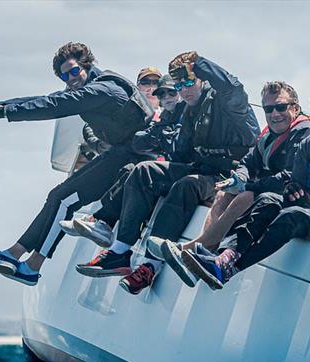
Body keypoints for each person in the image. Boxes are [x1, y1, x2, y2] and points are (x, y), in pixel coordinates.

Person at [0, 42, 154, 286]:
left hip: (134, 159)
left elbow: (55, 106)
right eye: (64, 76)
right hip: (121, 154)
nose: (70, 78)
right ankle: (14, 256)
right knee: (58, 196)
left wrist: (4, 113)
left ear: (87, 65)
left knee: (64, 199)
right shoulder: (90, 86)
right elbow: (46, 99)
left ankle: (29, 266)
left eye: (74, 71)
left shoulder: (103, 90)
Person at [74, 51, 259, 295]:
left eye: (188, 82)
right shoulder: (189, 109)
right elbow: (180, 155)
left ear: (202, 79)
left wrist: (198, 63)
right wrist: (163, 129)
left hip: (228, 176)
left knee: (187, 185)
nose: (184, 90)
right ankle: (119, 251)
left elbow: (233, 88)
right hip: (201, 169)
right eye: (179, 85)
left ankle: (151, 265)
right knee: (144, 172)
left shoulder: (225, 102)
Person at [181, 80, 310, 290]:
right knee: (267, 200)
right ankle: (224, 256)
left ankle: (229, 270)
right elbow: (297, 180)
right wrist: (293, 188)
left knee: (294, 216)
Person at [159, 81, 310, 286]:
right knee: (224, 193)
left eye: (280, 107)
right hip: (269, 189)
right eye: (268, 109)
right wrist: (239, 178)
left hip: (295, 196)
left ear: (295, 108)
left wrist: (250, 186)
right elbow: (248, 162)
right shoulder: (269, 134)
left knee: (246, 196)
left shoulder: (304, 131)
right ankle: (204, 251)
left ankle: (200, 247)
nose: (274, 114)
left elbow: (292, 174)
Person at [62, 74, 185, 243]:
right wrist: (105, 143)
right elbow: (137, 141)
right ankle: (103, 224)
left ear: (181, 92)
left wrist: (158, 136)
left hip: (171, 169)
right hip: (149, 166)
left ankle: (115, 238)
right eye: (161, 94)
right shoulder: (161, 117)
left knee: (140, 171)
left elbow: (177, 144)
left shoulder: (183, 114)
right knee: (129, 170)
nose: (166, 97)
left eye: (171, 93)